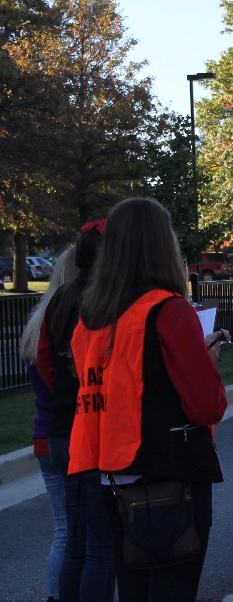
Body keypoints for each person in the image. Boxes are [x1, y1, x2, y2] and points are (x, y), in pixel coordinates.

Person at [68, 198, 229, 602]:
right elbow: (207, 407)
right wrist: (206, 361)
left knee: (133, 590)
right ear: (163, 244)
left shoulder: (91, 320)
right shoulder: (168, 310)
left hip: (110, 478)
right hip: (168, 480)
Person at [37, 221, 116, 602]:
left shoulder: (60, 299)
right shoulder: (105, 300)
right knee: (102, 550)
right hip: (89, 430)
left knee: (76, 545)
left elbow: (45, 363)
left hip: (60, 427)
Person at [22, 247, 77, 602]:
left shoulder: (36, 323)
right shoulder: (69, 323)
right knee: (85, 535)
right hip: (70, 435)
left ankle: (57, 595)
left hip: (43, 436)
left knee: (64, 531)